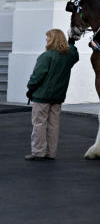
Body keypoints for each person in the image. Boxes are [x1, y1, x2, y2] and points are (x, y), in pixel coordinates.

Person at [25, 29, 79, 161]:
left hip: (42, 96)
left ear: (53, 39)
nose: (46, 40)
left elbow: (37, 77)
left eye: (48, 38)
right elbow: (74, 53)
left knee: (39, 123)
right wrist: (71, 41)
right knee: (53, 124)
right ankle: (51, 152)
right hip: (58, 96)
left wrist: (30, 89)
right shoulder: (68, 57)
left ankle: (38, 152)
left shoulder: (46, 56)